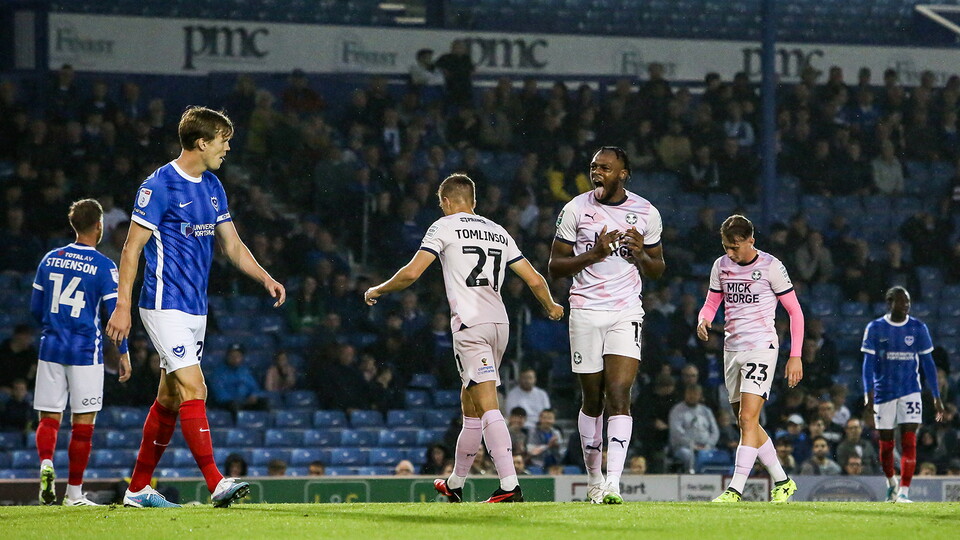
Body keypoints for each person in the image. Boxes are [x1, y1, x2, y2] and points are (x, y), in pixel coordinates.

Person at [105, 106, 286, 508]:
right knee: (195, 387)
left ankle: (136, 490)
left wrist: (265, 277)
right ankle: (216, 482)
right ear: (202, 142)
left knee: (169, 397)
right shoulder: (159, 186)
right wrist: (123, 305)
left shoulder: (213, 186)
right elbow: (132, 249)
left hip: (195, 309)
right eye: (223, 141)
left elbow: (233, 247)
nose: (227, 149)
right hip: (162, 303)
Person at [364, 173, 563, 504]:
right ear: (474, 202)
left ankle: (510, 484)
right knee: (470, 405)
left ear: (445, 202)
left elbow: (413, 273)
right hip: (500, 324)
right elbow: (534, 277)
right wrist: (551, 306)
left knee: (487, 405)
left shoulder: (443, 227)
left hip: (470, 326)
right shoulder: (499, 231)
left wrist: (378, 289)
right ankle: (455, 483)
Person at [548, 146, 665, 504]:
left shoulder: (646, 212)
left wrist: (642, 254)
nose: (597, 172)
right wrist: (594, 254)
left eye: (605, 167)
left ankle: (613, 482)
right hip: (585, 310)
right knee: (593, 400)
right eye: (594, 167)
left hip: (626, 311)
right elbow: (555, 265)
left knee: (619, 394)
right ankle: (594, 478)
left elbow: (658, 269)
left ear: (623, 173)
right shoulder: (575, 209)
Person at [30, 198, 132, 506]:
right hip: (85, 352)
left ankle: (47, 463)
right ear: (99, 226)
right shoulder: (104, 266)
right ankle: (73, 493)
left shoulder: (50, 259)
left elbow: (36, 310)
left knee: (49, 417)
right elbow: (115, 316)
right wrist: (123, 353)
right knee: (83, 424)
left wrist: (54, 327)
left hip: (51, 348)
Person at [697, 214, 804, 503]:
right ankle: (782, 481)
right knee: (747, 423)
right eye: (725, 246)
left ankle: (735, 489)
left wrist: (795, 356)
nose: (729, 253)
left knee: (747, 418)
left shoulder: (771, 266)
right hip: (732, 349)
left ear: (750, 241)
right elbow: (712, 301)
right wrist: (704, 318)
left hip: (761, 347)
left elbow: (795, 312)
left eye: (734, 247)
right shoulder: (721, 266)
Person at [862, 286, 943, 503]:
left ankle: (905, 491)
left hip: (910, 391)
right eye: (901, 301)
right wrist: (867, 392)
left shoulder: (918, 327)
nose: (906, 305)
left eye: (907, 301)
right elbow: (867, 364)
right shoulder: (876, 328)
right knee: (886, 445)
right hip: (884, 393)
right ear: (889, 303)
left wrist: (936, 396)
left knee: (909, 441)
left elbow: (929, 364)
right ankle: (891, 483)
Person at [668, 384, 720, 474]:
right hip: (684, 447)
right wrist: (692, 446)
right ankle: (693, 482)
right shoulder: (677, 410)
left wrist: (708, 445)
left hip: (706, 447)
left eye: (695, 394)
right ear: (685, 394)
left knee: (719, 455)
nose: (692, 396)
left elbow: (715, 432)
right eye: (690, 394)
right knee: (689, 456)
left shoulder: (706, 411)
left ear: (700, 396)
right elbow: (676, 432)